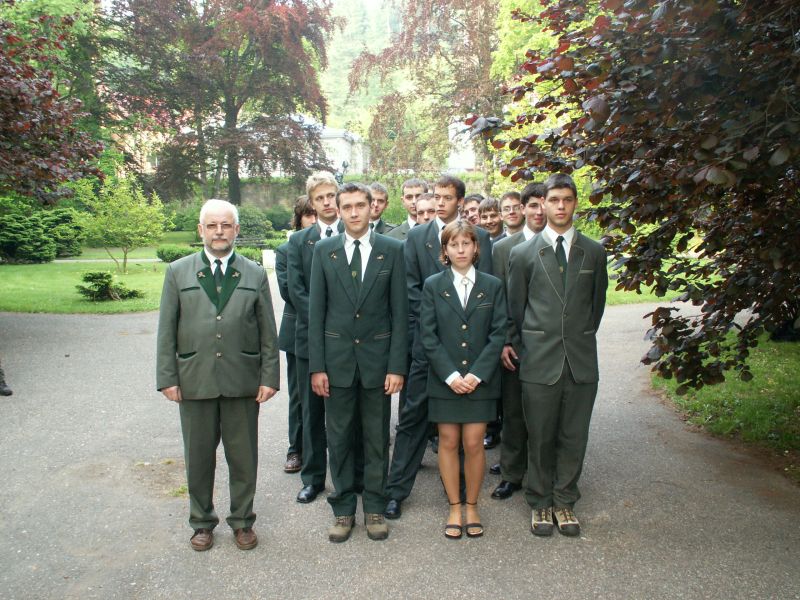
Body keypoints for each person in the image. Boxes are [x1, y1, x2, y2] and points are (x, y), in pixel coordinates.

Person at [156, 198, 279, 552]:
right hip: (195, 380)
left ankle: (242, 521)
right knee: (198, 458)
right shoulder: (178, 272)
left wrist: (269, 377)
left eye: (226, 225)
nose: (219, 232)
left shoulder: (254, 273)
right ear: (201, 230)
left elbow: (267, 332)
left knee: (243, 458)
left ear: (236, 230)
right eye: (212, 225)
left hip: (242, 381)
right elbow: (167, 330)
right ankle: (201, 522)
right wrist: (168, 377)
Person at [384, 175, 493, 520]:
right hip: (426, 344)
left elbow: (486, 293)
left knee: (461, 424)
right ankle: (396, 490)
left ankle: (459, 493)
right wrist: (432, 335)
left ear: (460, 201)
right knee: (412, 417)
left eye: (448, 197)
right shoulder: (417, 237)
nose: (441, 202)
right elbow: (410, 291)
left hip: (468, 348)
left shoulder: (480, 238)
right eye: (437, 196)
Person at [507, 173, 607, 537]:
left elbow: (595, 307)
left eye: (567, 199)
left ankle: (565, 501)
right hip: (539, 360)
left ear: (575, 203)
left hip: (580, 360)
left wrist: (575, 337)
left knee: (574, 436)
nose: (560, 206)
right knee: (540, 435)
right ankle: (540, 501)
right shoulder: (522, 254)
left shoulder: (593, 252)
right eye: (554, 200)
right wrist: (533, 343)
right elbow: (516, 310)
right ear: (542, 205)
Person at [308, 182, 408, 542]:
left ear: (372, 207)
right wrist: (317, 367)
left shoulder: (392, 250)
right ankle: (343, 508)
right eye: (347, 206)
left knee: (377, 437)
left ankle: (376, 506)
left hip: (377, 363)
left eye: (360, 205)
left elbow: (400, 313)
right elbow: (316, 312)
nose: (354, 212)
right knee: (339, 438)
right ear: (338, 210)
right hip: (336, 364)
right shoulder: (324, 251)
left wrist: (396, 366)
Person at [421, 221, 506, 539]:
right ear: (444, 250)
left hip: (480, 381)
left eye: (466, 244)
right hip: (445, 380)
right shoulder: (433, 285)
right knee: (447, 441)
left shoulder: (492, 285)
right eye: (453, 244)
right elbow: (428, 336)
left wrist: (476, 374)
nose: (460, 250)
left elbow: (498, 333)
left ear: (476, 247)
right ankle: (454, 506)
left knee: (473, 442)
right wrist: (451, 375)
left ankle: (472, 505)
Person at [287, 171, 344, 504]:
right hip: (310, 338)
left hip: (347, 341)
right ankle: (312, 477)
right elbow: (296, 291)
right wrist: (326, 322)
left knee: (344, 413)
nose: (327, 202)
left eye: (331, 195)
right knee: (311, 412)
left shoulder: (353, 234)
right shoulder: (299, 242)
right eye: (320, 198)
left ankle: (347, 476)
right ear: (311, 202)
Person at [490, 182, 546, 499]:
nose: (539, 211)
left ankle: (543, 472)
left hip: (549, 346)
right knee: (513, 412)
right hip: (514, 345)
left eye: (544, 204)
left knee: (545, 414)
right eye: (533, 205)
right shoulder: (503, 249)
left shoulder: (558, 245)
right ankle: (511, 473)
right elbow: (497, 299)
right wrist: (505, 342)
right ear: (523, 209)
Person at [276, 196, 317, 474]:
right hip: (298, 330)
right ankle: (296, 448)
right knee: (300, 394)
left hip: (336, 333)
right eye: (308, 214)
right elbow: (289, 290)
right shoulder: (286, 250)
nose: (314, 220)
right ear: (299, 218)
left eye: (317, 214)